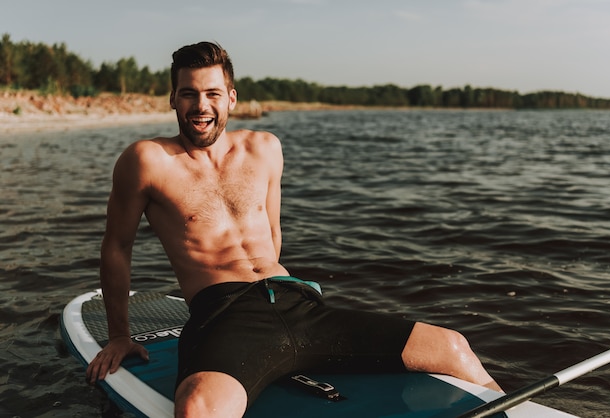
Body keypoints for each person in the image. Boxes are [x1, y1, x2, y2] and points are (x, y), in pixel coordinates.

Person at [86, 41, 501, 418]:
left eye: (212, 93)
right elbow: (117, 247)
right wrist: (120, 335)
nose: (201, 106)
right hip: (225, 316)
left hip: (297, 301)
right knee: (197, 409)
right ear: (173, 98)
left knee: (452, 346)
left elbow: (272, 234)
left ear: (231, 98)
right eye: (189, 93)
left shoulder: (265, 148)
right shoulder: (147, 160)